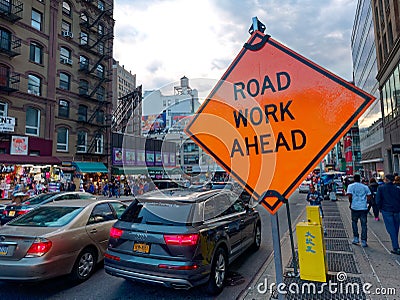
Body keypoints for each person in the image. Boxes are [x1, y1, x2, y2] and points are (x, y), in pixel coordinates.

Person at [375, 173, 400, 255]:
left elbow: (378, 200)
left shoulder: (381, 188)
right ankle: (395, 244)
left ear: (387, 179)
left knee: (391, 229)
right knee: (396, 228)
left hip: (387, 210)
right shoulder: (397, 188)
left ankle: (396, 247)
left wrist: (379, 209)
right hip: (397, 210)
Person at [346, 174, 371, 247]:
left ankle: (356, 238)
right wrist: (366, 202)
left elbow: (349, 196)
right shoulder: (365, 187)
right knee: (364, 224)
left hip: (355, 207)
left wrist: (351, 203)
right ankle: (364, 241)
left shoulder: (350, 186)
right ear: (360, 179)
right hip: (363, 207)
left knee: (354, 222)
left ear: (354, 179)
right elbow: (369, 196)